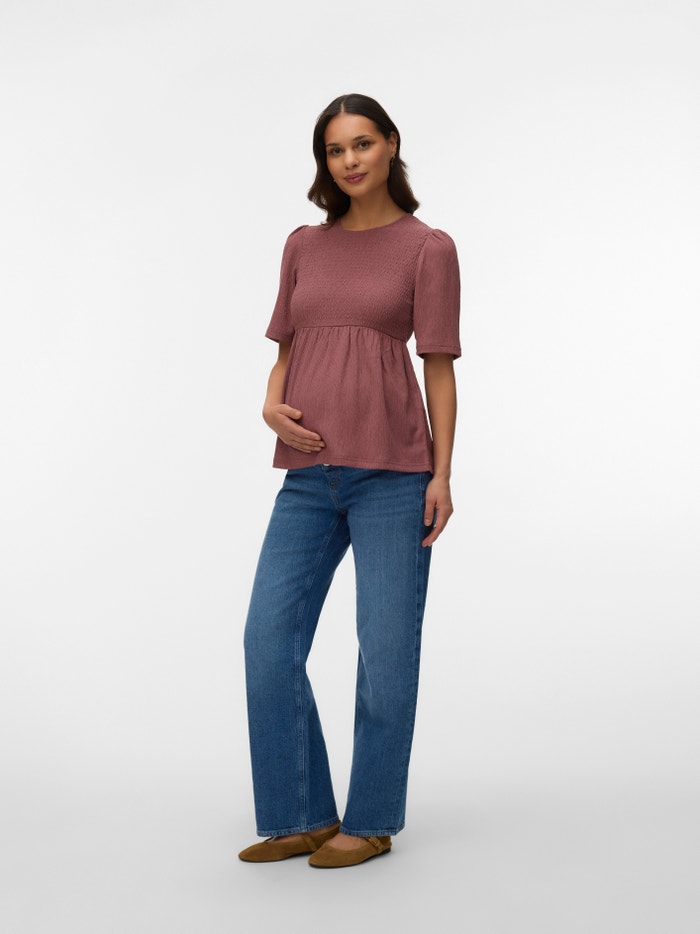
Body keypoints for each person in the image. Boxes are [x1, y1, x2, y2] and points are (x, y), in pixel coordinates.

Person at [238, 93, 461, 868]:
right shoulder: (303, 244)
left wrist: (442, 474)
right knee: (267, 641)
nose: (350, 160)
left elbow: (439, 367)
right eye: (335, 150)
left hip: (394, 477)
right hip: (307, 476)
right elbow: (286, 349)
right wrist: (270, 402)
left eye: (362, 143)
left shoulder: (427, 248)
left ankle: (369, 821)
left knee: (386, 657)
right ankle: (301, 813)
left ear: (391, 144)